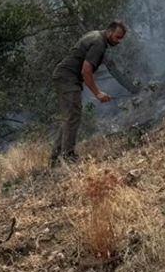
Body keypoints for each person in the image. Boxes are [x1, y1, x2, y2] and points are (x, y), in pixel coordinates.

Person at [50, 21, 127, 166]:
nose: (119, 41)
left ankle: (56, 158)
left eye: (121, 38)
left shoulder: (96, 35)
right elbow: (86, 71)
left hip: (65, 76)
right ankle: (68, 156)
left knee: (69, 116)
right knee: (73, 116)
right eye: (117, 37)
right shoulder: (99, 42)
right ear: (110, 32)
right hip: (67, 77)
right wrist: (98, 93)